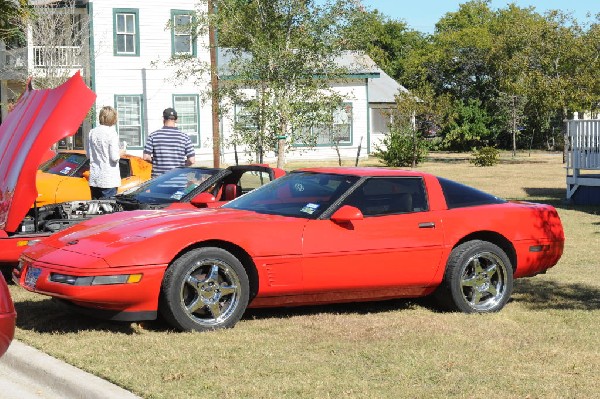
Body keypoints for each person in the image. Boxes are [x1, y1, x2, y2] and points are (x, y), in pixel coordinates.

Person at [143, 108, 195, 178]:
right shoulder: (185, 137)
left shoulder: (153, 136)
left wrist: (156, 162)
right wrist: (182, 164)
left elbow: (146, 157)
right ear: (176, 120)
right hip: (178, 180)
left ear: (163, 118)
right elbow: (192, 160)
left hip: (158, 181)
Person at [86, 106, 123, 199]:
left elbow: (88, 155)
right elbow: (114, 157)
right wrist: (122, 152)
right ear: (113, 118)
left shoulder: (92, 132)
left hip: (95, 177)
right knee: (108, 209)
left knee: (96, 209)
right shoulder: (112, 133)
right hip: (108, 178)